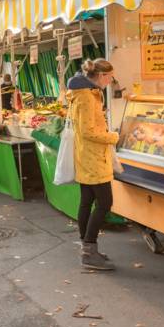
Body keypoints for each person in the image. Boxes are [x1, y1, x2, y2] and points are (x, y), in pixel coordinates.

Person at [67, 58, 119, 271]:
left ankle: (88, 249)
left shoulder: (85, 93)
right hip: (93, 158)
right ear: (101, 76)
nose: (111, 80)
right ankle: (89, 251)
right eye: (110, 77)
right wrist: (112, 136)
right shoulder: (87, 97)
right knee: (105, 203)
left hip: (86, 155)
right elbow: (88, 132)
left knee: (87, 201)